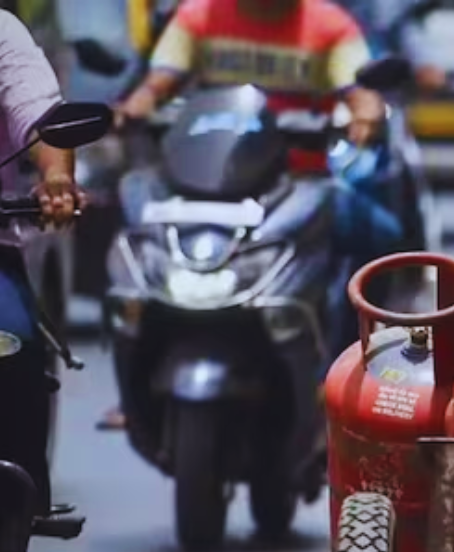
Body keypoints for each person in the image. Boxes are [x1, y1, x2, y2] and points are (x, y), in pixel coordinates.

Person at [101, 0, 403, 428]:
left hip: (297, 183)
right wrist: (136, 106)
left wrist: (366, 113)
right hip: (207, 180)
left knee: (382, 238)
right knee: (134, 240)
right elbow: (158, 83)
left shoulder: (328, 24)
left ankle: (345, 371)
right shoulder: (199, 16)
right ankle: (133, 388)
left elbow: (359, 91)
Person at [0, 8, 88, 552]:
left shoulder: (2, 35)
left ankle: (12, 535)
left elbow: (44, 121)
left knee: (16, 345)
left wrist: (55, 178)